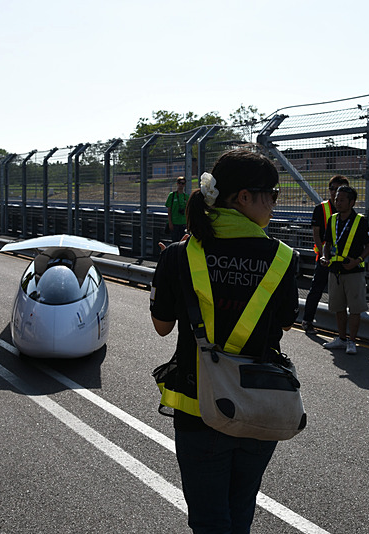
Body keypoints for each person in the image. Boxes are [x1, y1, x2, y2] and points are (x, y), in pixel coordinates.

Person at [150, 148, 298, 533]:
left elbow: (162, 326)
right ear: (243, 197)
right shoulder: (282, 257)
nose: (275, 203)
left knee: (210, 520)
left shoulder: (181, 254)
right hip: (259, 403)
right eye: (274, 193)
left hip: (198, 408)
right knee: (240, 511)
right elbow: (282, 326)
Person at [321, 185, 369, 354]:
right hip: (335, 271)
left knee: (355, 308)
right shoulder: (333, 220)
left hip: (354, 272)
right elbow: (326, 244)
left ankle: (352, 341)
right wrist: (325, 257)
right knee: (338, 307)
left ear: (351, 202)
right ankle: (341, 338)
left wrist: (357, 261)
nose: (337, 202)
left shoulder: (360, 221)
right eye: (336, 199)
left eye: (341, 200)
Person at [300, 174, 350, 333]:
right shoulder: (321, 209)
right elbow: (316, 234)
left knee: (344, 293)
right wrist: (323, 255)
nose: (334, 192)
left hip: (343, 259)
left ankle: (342, 329)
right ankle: (307, 321)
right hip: (325, 259)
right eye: (332, 189)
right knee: (316, 289)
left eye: (339, 189)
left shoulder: (350, 211)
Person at [165, 176, 189, 242]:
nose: (181, 185)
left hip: (183, 223)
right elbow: (169, 210)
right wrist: (170, 223)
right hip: (174, 223)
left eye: (183, 183)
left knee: (183, 242)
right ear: (177, 184)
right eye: (179, 183)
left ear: (185, 185)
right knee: (175, 241)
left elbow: (187, 211)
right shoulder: (172, 195)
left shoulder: (186, 196)